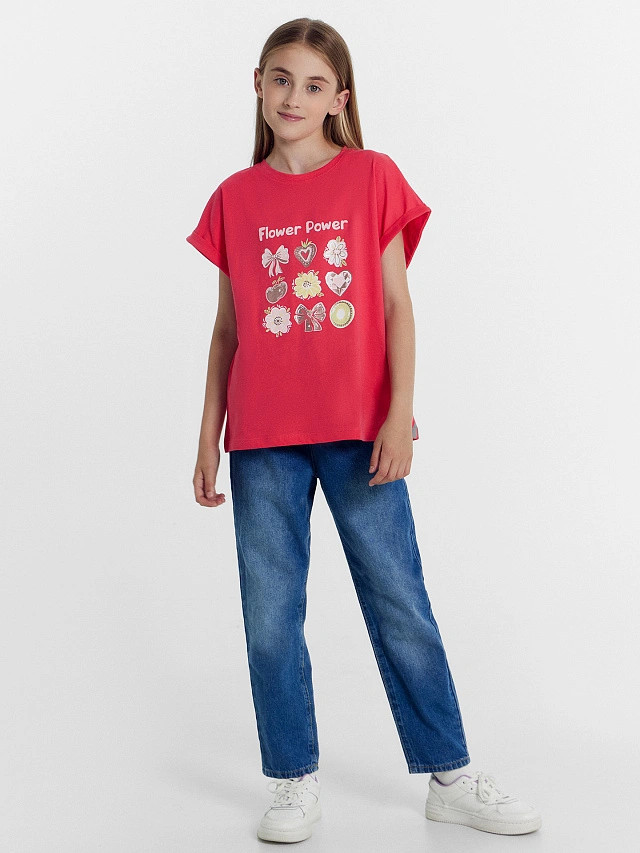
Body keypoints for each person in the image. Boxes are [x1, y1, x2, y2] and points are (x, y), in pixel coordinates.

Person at [186, 16, 542, 844]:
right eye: (281, 79)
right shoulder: (235, 198)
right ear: (257, 85)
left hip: (359, 431)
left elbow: (396, 307)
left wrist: (398, 416)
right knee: (270, 612)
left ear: (339, 100)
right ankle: (292, 778)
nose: (294, 97)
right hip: (263, 438)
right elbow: (227, 331)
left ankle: (449, 773)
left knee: (398, 596)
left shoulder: (372, 176)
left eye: (313, 85)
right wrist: (208, 434)